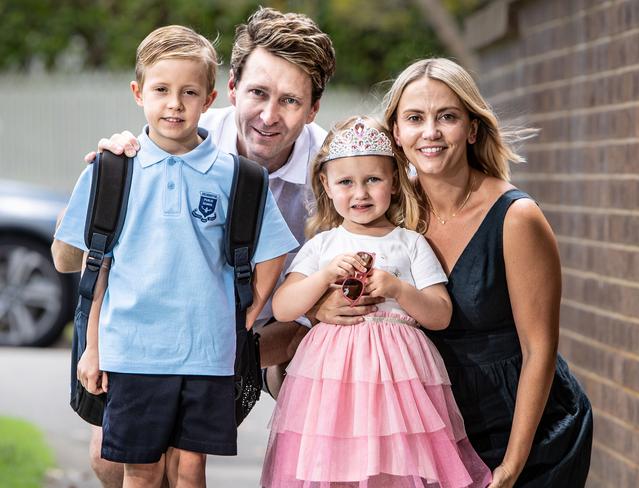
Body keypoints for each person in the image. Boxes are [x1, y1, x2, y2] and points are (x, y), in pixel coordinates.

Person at [50, 8, 350, 488]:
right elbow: (71, 257)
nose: (270, 116)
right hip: (151, 336)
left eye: (291, 101)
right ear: (230, 89)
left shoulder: (337, 172)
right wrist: (108, 184)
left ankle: (314, 473)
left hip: (270, 334)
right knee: (118, 460)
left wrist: (244, 325)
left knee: (189, 464)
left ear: (313, 108)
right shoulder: (164, 133)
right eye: (258, 93)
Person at [375, 58, 592, 487]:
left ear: (472, 129)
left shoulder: (516, 218)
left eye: (448, 117)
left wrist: (511, 467)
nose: (431, 132)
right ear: (397, 133)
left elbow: (539, 350)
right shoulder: (391, 214)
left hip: (526, 436)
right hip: (436, 428)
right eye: (415, 118)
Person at [260, 115, 493, 487]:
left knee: (394, 467)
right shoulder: (323, 245)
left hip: (399, 384)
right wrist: (323, 277)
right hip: (332, 383)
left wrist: (399, 289)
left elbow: (441, 314)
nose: (360, 193)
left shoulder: (410, 243)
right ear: (326, 184)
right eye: (346, 182)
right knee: (335, 466)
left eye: (373, 179)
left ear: (395, 183)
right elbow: (284, 307)